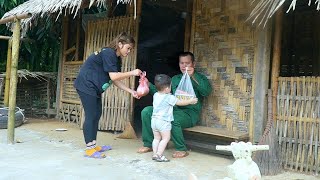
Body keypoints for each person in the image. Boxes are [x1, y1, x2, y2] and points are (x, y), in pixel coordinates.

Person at [74, 32, 142, 158]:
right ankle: (90, 149)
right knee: (91, 115)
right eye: (128, 48)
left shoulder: (116, 58)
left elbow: (114, 79)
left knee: (96, 114)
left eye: (131, 49)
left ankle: (94, 146)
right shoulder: (108, 53)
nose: (129, 51)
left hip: (94, 88)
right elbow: (114, 76)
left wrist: (130, 91)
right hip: (86, 85)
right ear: (120, 44)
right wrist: (133, 72)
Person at [137, 52, 212, 158]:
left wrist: (193, 76)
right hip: (173, 109)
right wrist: (148, 84)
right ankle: (149, 144)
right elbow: (163, 94)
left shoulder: (200, 78)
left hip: (189, 114)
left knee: (172, 119)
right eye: (182, 63)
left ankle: (181, 148)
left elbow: (206, 92)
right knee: (147, 111)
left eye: (187, 63)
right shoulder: (176, 79)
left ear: (193, 64)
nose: (184, 66)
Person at [151, 74, 198, 162]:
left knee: (156, 138)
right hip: (163, 121)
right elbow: (179, 102)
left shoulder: (156, 95)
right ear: (166, 89)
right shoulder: (169, 97)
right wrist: (190, 101)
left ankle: (154, 154)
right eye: (170, 87)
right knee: (165, 138)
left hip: (154, 120)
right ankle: (159, 155)